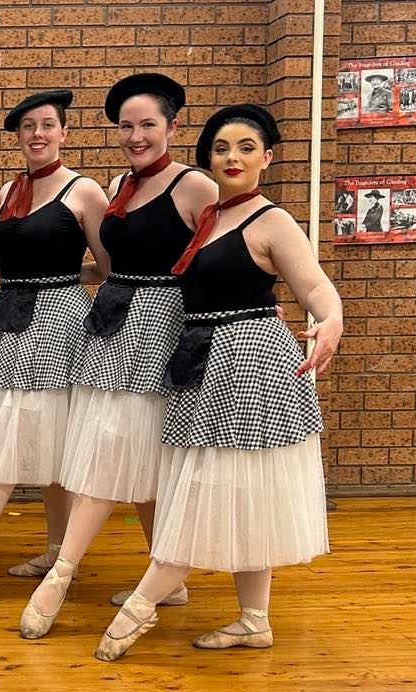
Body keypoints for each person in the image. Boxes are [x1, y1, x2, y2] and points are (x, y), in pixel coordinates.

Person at [95, 104, 341, 661]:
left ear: (267, 158)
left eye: (246, 147)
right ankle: (254, 619)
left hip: (251, 365)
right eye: (223, 148)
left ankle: (138, 608)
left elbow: (316, 287)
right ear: (209, 159)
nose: (234, 157)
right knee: (233, 490)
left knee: (208, 493)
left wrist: (332, 320)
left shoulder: (271, 221)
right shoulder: (211, 217)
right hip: (203, 363)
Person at [21, 73, 218, 639]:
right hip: (109, 325)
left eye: (148, 125)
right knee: (136, 457)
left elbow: (218, 256)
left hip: (161, 331)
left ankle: (60, 574)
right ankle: (169, 576)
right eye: (127, 126)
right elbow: (111, 260)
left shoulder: (195, 186)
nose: (136, 136)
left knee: (114, 448)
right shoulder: (121, 185)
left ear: (172, 126)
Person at [0, 89, 111, 610]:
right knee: (4, 437)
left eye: (47, 125)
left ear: (63, 132)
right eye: (27, 127)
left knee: (50, 440)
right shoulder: (11, 190)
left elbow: (106, 267)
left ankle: (53, 551)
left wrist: (56, 280)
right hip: (9, 321)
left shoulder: (85, 191)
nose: (37, 134)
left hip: (58, 323)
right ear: (18, 136)